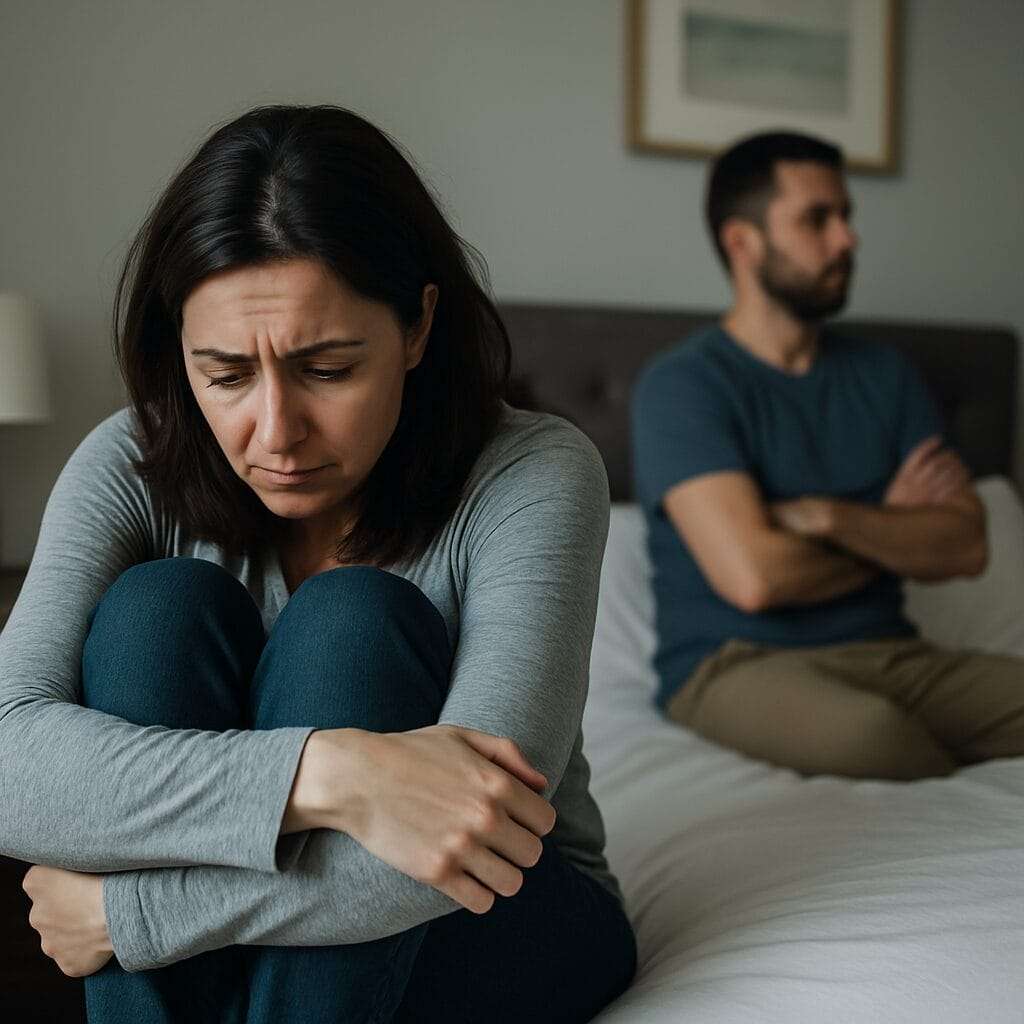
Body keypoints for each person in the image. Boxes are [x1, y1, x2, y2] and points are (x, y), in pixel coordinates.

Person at [0, 104, 636, 1023]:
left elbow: (475, 827)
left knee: (355, 622)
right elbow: (11, 762)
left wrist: (130, 913)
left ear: (418, 326)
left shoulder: (535, 472)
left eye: (329, 369)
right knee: (156, 612)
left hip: (504, 911)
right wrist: (333, 776)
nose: (276, 432)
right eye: (224, 375)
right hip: (316, 919)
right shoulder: (127, 465)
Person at [631, 130, 1024, 781]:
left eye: (846, 216)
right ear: (742, 242)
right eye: (819, 219)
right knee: (876, 738)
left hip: (896, 654)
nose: (847, 239)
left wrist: (831, 518)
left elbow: (965, 547)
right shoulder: (683, 386)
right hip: (735, 665)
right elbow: (755, 579)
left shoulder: (886, 375)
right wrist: (895, 526)